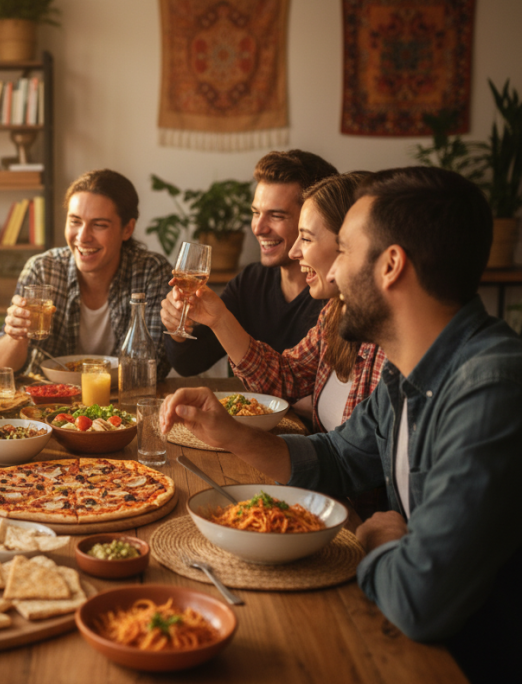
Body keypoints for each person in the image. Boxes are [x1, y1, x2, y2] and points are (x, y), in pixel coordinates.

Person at [160, 167, 522, 683]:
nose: (329, 272)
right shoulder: (407, 370)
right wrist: (230, 432)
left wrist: (378, 543)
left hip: (459, 662)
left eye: (345, 251)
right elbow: (333, 459)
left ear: (391, 266)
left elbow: (422, 598)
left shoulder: (490, 389)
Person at [177, 173, 386, 433]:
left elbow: (360, 462)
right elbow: (285, 378)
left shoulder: (387, 344)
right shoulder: (335, 313)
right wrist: (219, 319)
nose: (294, 251)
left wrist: (236, 437)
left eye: (306, 238)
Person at [0, 169, 173, 379]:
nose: (83, 237)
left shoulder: (151, 273)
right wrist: (15, 336)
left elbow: (154, 365)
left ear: (127, 229)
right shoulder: (44, 269)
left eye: (99, 225)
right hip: (50, 402)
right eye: (75, 221)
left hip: (124, 401)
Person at [163, 150, 335, 375]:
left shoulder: (333, 298)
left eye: (276, 215)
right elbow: (190, 363)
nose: (258, 228)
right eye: (256, 213)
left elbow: (304, 387)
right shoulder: (250, 282)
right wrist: (177, 327)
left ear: (312, 219)